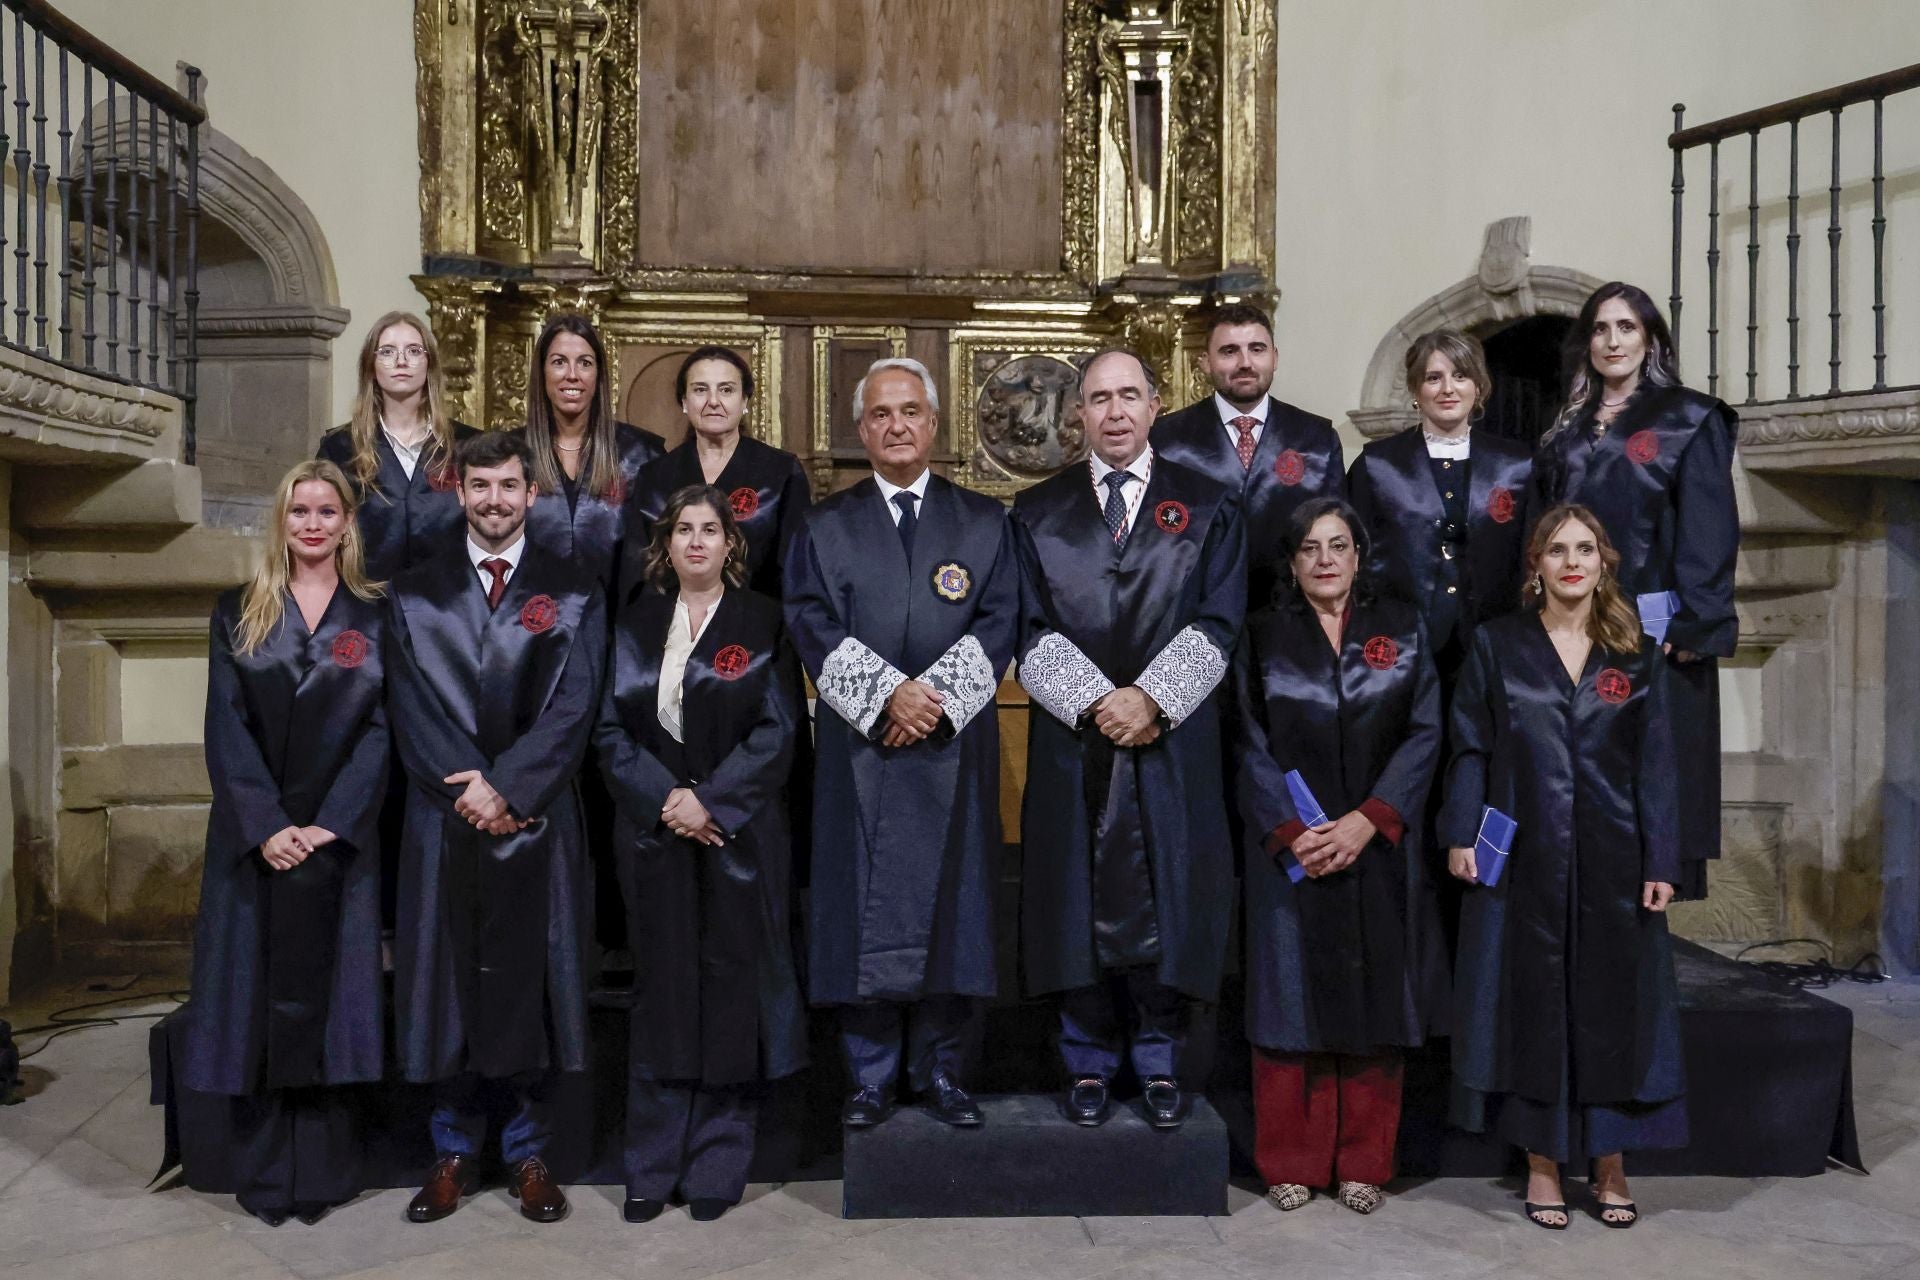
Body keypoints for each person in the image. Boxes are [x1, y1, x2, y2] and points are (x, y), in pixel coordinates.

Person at [1012, 347, 1246, 1131]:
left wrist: (1151, 700)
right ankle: (1085, 1059)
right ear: (1078, 415)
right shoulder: (1037, 511)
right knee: (1075, 899)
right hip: (1074, 740)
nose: (1114, 412)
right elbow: (1027, 627)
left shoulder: (1210, 504)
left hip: (1169, 740)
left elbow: (1219, 620)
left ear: (1155, 405)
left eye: (1128, 397)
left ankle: (1159, 1060)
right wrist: (1095, 702)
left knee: (1168, 897)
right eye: (1098, 399)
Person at [784, 356, 1018, 1130]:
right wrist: (888, 697)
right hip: (863, 748)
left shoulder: (985, 522)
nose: (897, 426)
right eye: (881, 414)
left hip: (952, 750)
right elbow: (811, 620)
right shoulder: (824, 525)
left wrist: (934, 701)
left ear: (934, 422)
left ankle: (946, 1074)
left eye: (911, 411)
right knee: (863, 909)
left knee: (957, 910)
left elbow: (1000, 621)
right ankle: (871, 1079)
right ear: (860, 430)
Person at [1443, 504, 1686, 1231]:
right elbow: (1470, 747)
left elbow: (1658, 763)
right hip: (1524, 860)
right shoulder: (1497, 645)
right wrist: (1461, 831)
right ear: (1536, 566)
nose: (1572, 561)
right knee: (1534, 1007)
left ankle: (1610, 1164)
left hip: (1615, 860)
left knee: (1615, 1008)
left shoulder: (1635, 651)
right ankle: (1543, 1164)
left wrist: (1661, 858)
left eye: (1585, 549)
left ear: (1605, 561)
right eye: (1556, 549)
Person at [385, 431, 606, 1225]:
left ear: (531, 494)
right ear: (459, 492)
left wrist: (509, 787)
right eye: (480, 486)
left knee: (533, 990)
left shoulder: (574, 588)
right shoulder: (414, 591)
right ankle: (451, 1152)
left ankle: (528, 1153)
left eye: (508, 486)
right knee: (446, 991)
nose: (494, 501)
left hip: (536, 824)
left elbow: (577, 704)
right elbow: (407, 705)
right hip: (443, 821)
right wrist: (469, 792)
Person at [184, 459, 389, 1226]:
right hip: (256, 844)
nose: (312, 522)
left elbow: (382, 728)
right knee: (258, 1003)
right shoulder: (238, 611)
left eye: (326, 510)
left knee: (335, 1006)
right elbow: (224, 725)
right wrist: (268, 826)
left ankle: (328, 1168)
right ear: (283, 521)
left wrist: (329, 823)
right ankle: (267, 1169)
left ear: (346, 523)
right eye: (299, 509)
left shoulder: (374, 615)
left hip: (338, 839)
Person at [595, 484, 806, 1224]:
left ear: (729, 544)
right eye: (682, 529)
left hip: (737, 835)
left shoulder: (763, 620)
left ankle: (718, 1160)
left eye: (709, 530)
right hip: (653, 835)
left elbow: (780, 732)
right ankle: (651, 1164)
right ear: (665, 544)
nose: (695, 542)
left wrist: (711, 801)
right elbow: (608, 731)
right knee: (662, 995)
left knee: (728, 992)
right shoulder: (632, 623)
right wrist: (665, 798)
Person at [1229, 497, 1443, 1214]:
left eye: (1339, 545)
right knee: (1289, 1002)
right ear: (1291, 563)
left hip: (1376, 848)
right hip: (1291, 852)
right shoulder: (1260, 636)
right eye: (1310, 548)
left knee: (1377, 1001)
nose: (1325, 560)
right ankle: (1289, 1158)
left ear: (1360, 555)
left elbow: (1424, 731)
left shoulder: (1402, 629)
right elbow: (1247, 741)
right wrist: (1293, 831)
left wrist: (1368, 821)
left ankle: (1362, 1163)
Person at [1529, 282, 1738, 899]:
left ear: (1649, 340)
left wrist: (1698, 622)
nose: (1612, 340)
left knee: (1648, 769)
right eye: (1599, 328)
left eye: (1626, 327)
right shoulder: (1568, 428)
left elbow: (1709, 526)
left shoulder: (1687, 417)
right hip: (1568, 620)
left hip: (1654, 624)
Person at [1348, 328, 1531, 685]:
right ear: (1416, 390)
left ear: (1478, 386)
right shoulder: (1376, 465)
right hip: (1399, 646)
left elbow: (1530, 557)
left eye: (1460, 376)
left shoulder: (1516, 465)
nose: (1448, 388)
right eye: (1434, 378)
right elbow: (1355, 559)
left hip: (1492, 640)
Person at [1152, 301, 1344, 609]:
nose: (1245, 362)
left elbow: (1338, 540)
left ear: (1275, 357)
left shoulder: (1316, 439)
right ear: (1204, 362)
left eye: (1257, 349)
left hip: (1293, 616)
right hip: (1197, 616)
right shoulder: (1167, 440)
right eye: (1229, 351)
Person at [626, 346, 812, 601]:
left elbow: (797, 572)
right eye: (700, 389)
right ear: (684, 401)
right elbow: (638, 569)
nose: (713, 401)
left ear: (745, 400)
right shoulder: (655, 476)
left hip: (758, 628)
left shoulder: (780, 471)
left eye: (726, 390)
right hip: (670, 627)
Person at [316, 311, 479, 581]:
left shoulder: (469, 446)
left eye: (414, 351)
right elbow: (322, 534)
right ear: (371, 365)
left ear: (430, 364)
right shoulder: (340, 449)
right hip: (366, 605)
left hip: (450, 607)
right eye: (388, 352)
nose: (401, 361)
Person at [519, 312, 666, 594]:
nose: (572, 375)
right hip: (529, 625)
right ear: (542, 372)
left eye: (584, 363)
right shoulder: (511, 454)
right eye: (559, 362)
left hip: (618, 626)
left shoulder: (642, 455)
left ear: (598, 374)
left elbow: (659, 558)